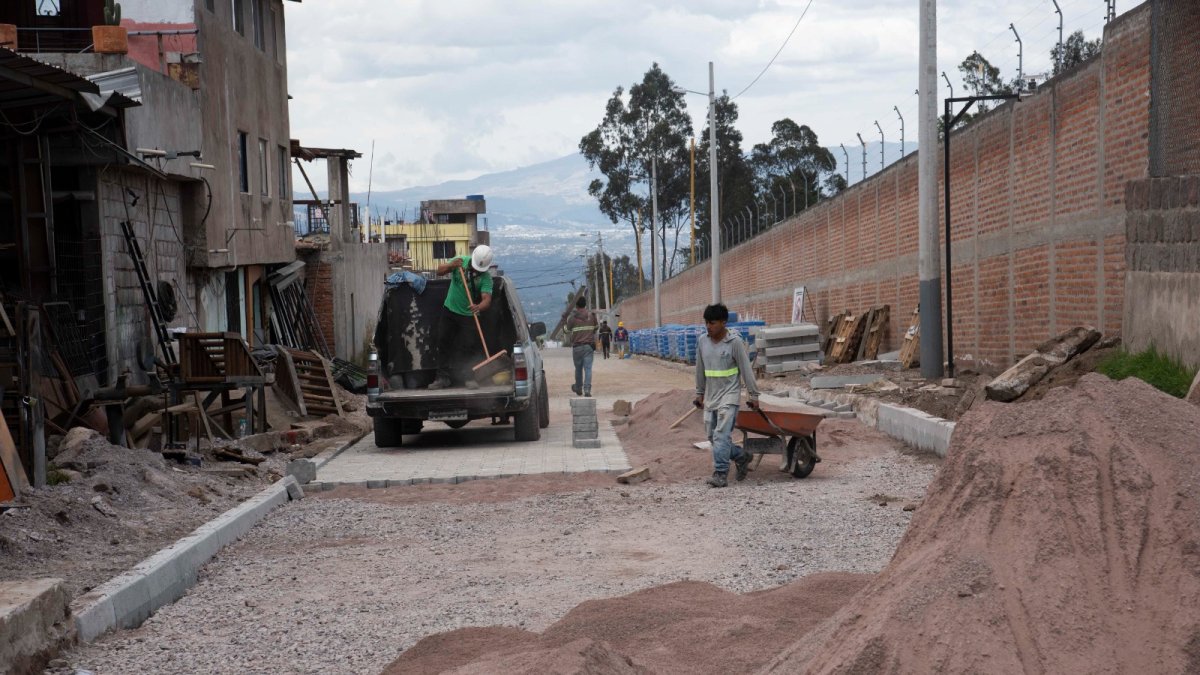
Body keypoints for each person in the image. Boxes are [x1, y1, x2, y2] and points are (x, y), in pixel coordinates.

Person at [694, 303, 760, 488]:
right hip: (712, 396)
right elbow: (700, 369)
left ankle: (720, 473)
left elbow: (746, 370)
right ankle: (742, 456)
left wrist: (753, 395)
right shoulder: (702, 342)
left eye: (712, 323)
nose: (708, 326)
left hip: (729, 396)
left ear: (723, 322)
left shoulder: (735, 342)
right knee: (712, 436)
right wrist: (699, 393)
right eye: (706, 322)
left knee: (721, 436)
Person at [428, 245, 495, 390]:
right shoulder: (460, 261)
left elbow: (486, 299)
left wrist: (479, 307)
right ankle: (442, 378)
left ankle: (469, 378)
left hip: (469, 315)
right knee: (443, 342)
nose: (477, 270)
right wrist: (451, 265)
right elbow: (439, 271)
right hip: (450, 310)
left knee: (468, 347)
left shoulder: (486, 278)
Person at [565, 296, 597, 397]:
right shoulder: (591, 315)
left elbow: (566, 330)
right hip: (588, 347)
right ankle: (587, 389)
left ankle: (578, 388)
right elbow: (596, 328)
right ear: (585, 304)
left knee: (578, 369)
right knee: (588, 368)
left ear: (577, 306)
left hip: (577, 347)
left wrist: (564, 322)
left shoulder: (573, 317)